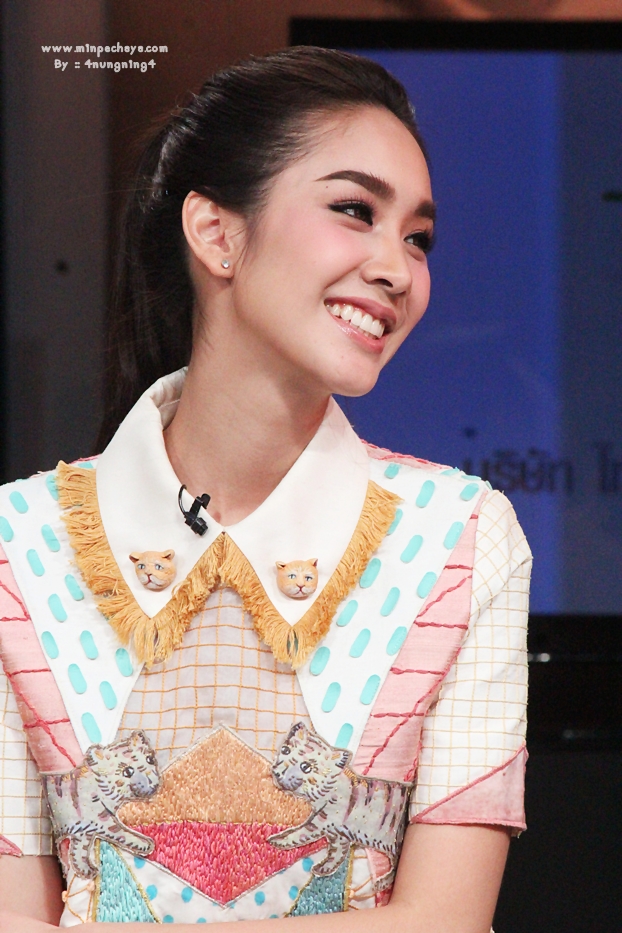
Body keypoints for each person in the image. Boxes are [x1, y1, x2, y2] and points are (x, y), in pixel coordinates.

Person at [0, 47, 531, 932]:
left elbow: (445, 920)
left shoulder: (462, 537)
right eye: (355, 210)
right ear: (216, 234)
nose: (398, 269)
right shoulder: (19, 544)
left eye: (418, 238)